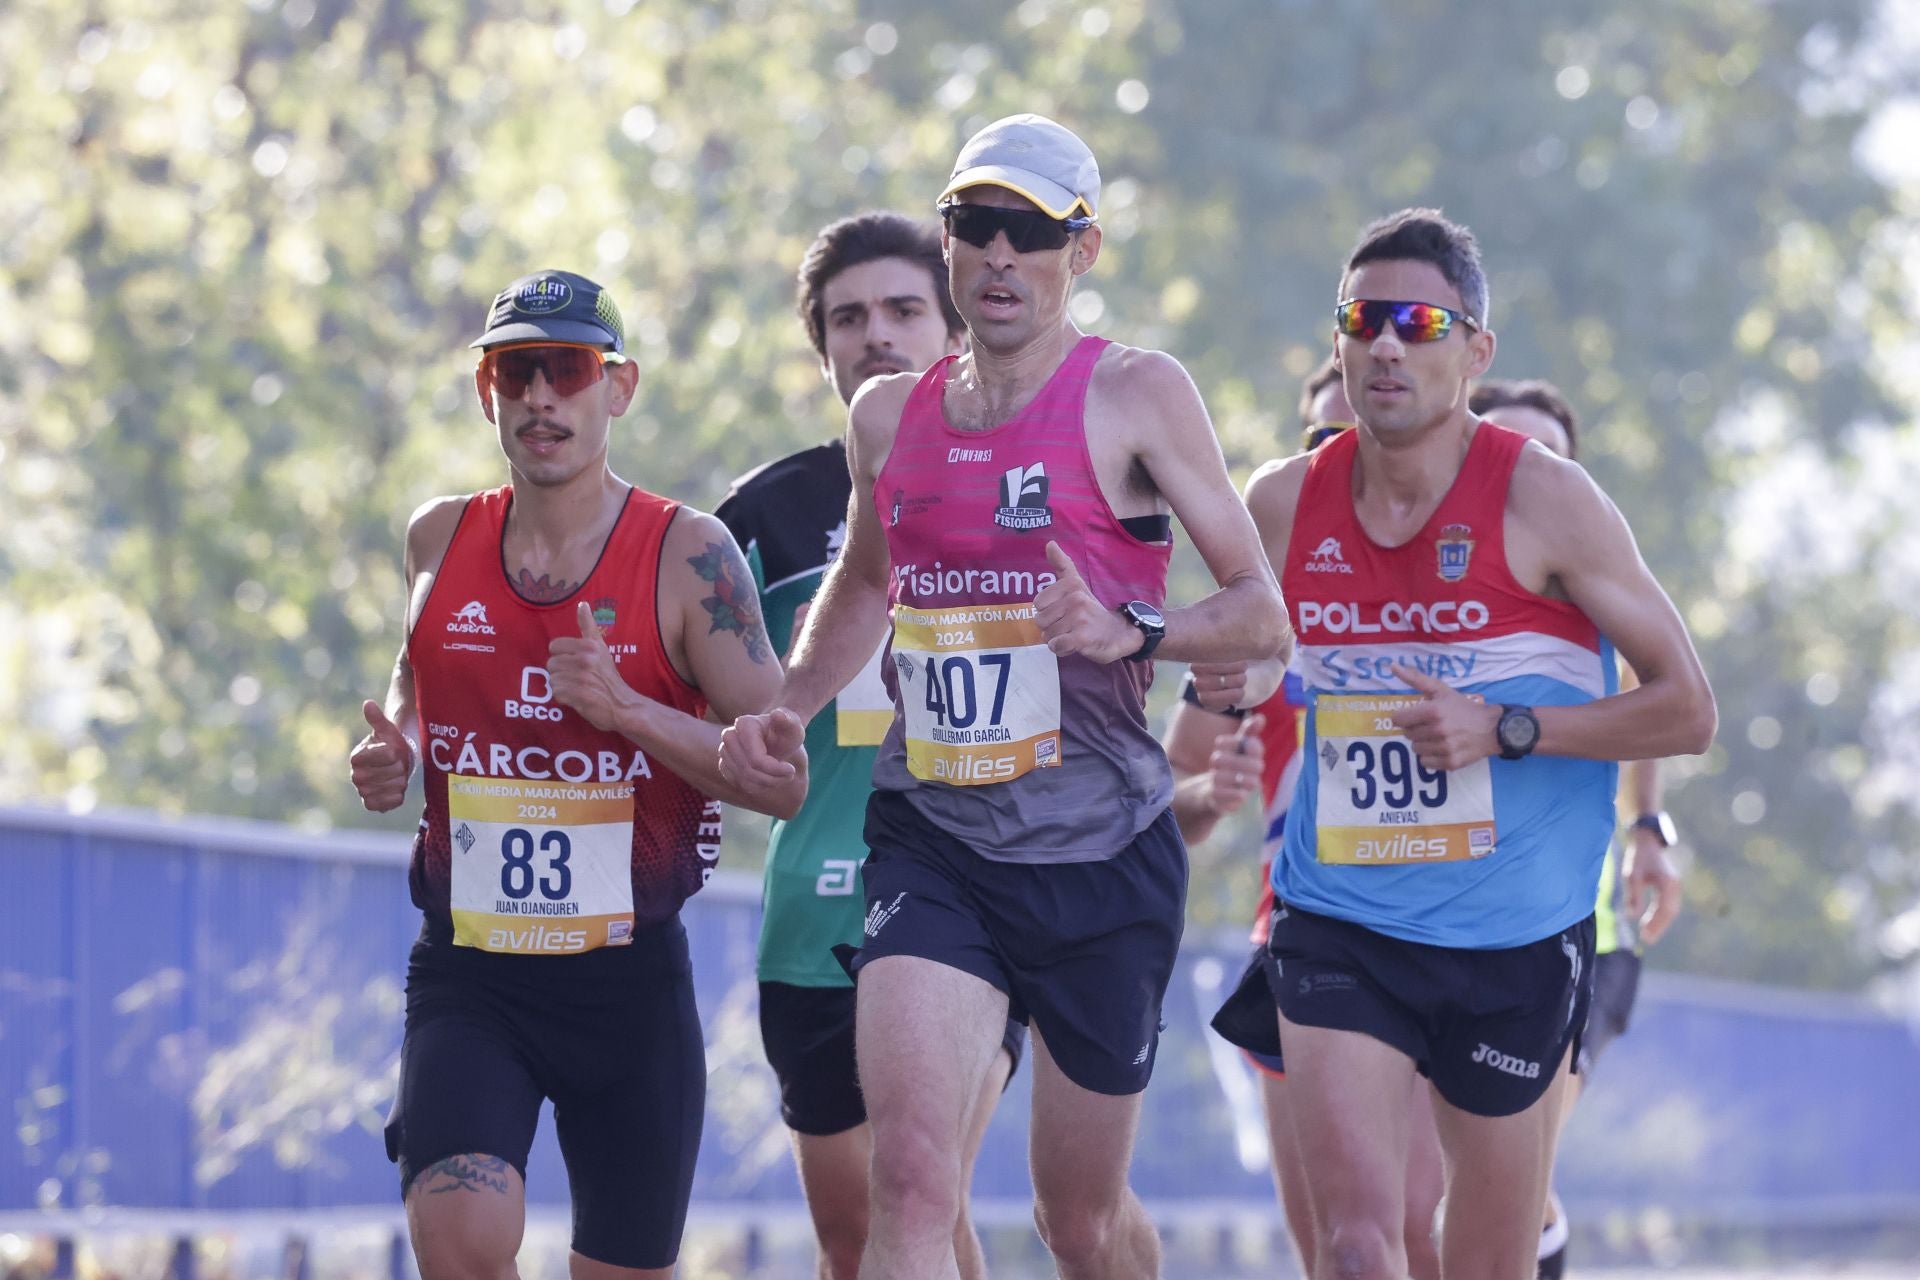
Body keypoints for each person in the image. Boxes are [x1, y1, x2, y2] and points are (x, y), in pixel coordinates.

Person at [720, 114, 1290, 1280]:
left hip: (1100, 854)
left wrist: (1133, 627)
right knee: (913, 1182)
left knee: (1074, 1220)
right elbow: (869, 578)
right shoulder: (889, 415)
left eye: (1028, 231)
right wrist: (791, 698)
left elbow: (1260, 612)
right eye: (974, 226)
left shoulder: (1136, 393)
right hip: (935, 840)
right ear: (947, 244)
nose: (997, 255)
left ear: (1081, 250)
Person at [1212, 208, 1715, 1280]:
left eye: (1418, 321)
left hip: (1515, 937)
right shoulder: (1283, 500)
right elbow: (1248, 668)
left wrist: (1507, 727)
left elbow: (1685, 706)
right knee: (1360, 1244)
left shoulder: (1546, 497)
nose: (1386, 344)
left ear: (1474, 351)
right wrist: (1221, 680)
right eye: (1362, 320)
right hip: (1339, 915)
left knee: (1479, 1258)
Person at [348, 268, 807, 1280]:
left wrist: (627, 711)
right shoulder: (437, 536)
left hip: (629, 983)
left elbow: (782, 782)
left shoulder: (691, 557)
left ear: (619, 387)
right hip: (473, 969)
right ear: (487, 390)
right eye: (518, 371)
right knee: (461, 1243)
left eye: (569, 368)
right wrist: (398, 756)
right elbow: (417, 696)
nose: (541, 397)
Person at [716, 211, 1027, 1280]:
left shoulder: (1025, 476)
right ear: (822, 348)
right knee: (861, 1241)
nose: (876, 336)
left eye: (902, 309)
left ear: (950, 324)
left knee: (919, 1190)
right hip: (813, 922)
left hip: (976, 901)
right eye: (849, 318)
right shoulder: (753, 520)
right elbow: (712, 714)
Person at [1174, 364, 1444, 1280]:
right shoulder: (1269, 604)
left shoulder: (1466, 578)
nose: (1347, 454)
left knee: (1421, 1230)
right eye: (1323, 440)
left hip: (1453, 937)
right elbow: (1176, 773)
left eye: (1362, 436)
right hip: (1305, 939)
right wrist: (1215, 783)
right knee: (1343, 1251)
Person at [1470, 377, 1687, 1279]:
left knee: (1512, 1176)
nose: (1529, 474)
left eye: (1548, 458)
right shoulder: (1432, 576)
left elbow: (1657, 694)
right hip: (1436, 918)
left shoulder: (1599, 577)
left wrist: (1648, 828)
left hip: (1578, 932)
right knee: (1460, 1187)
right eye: (1507, 452)